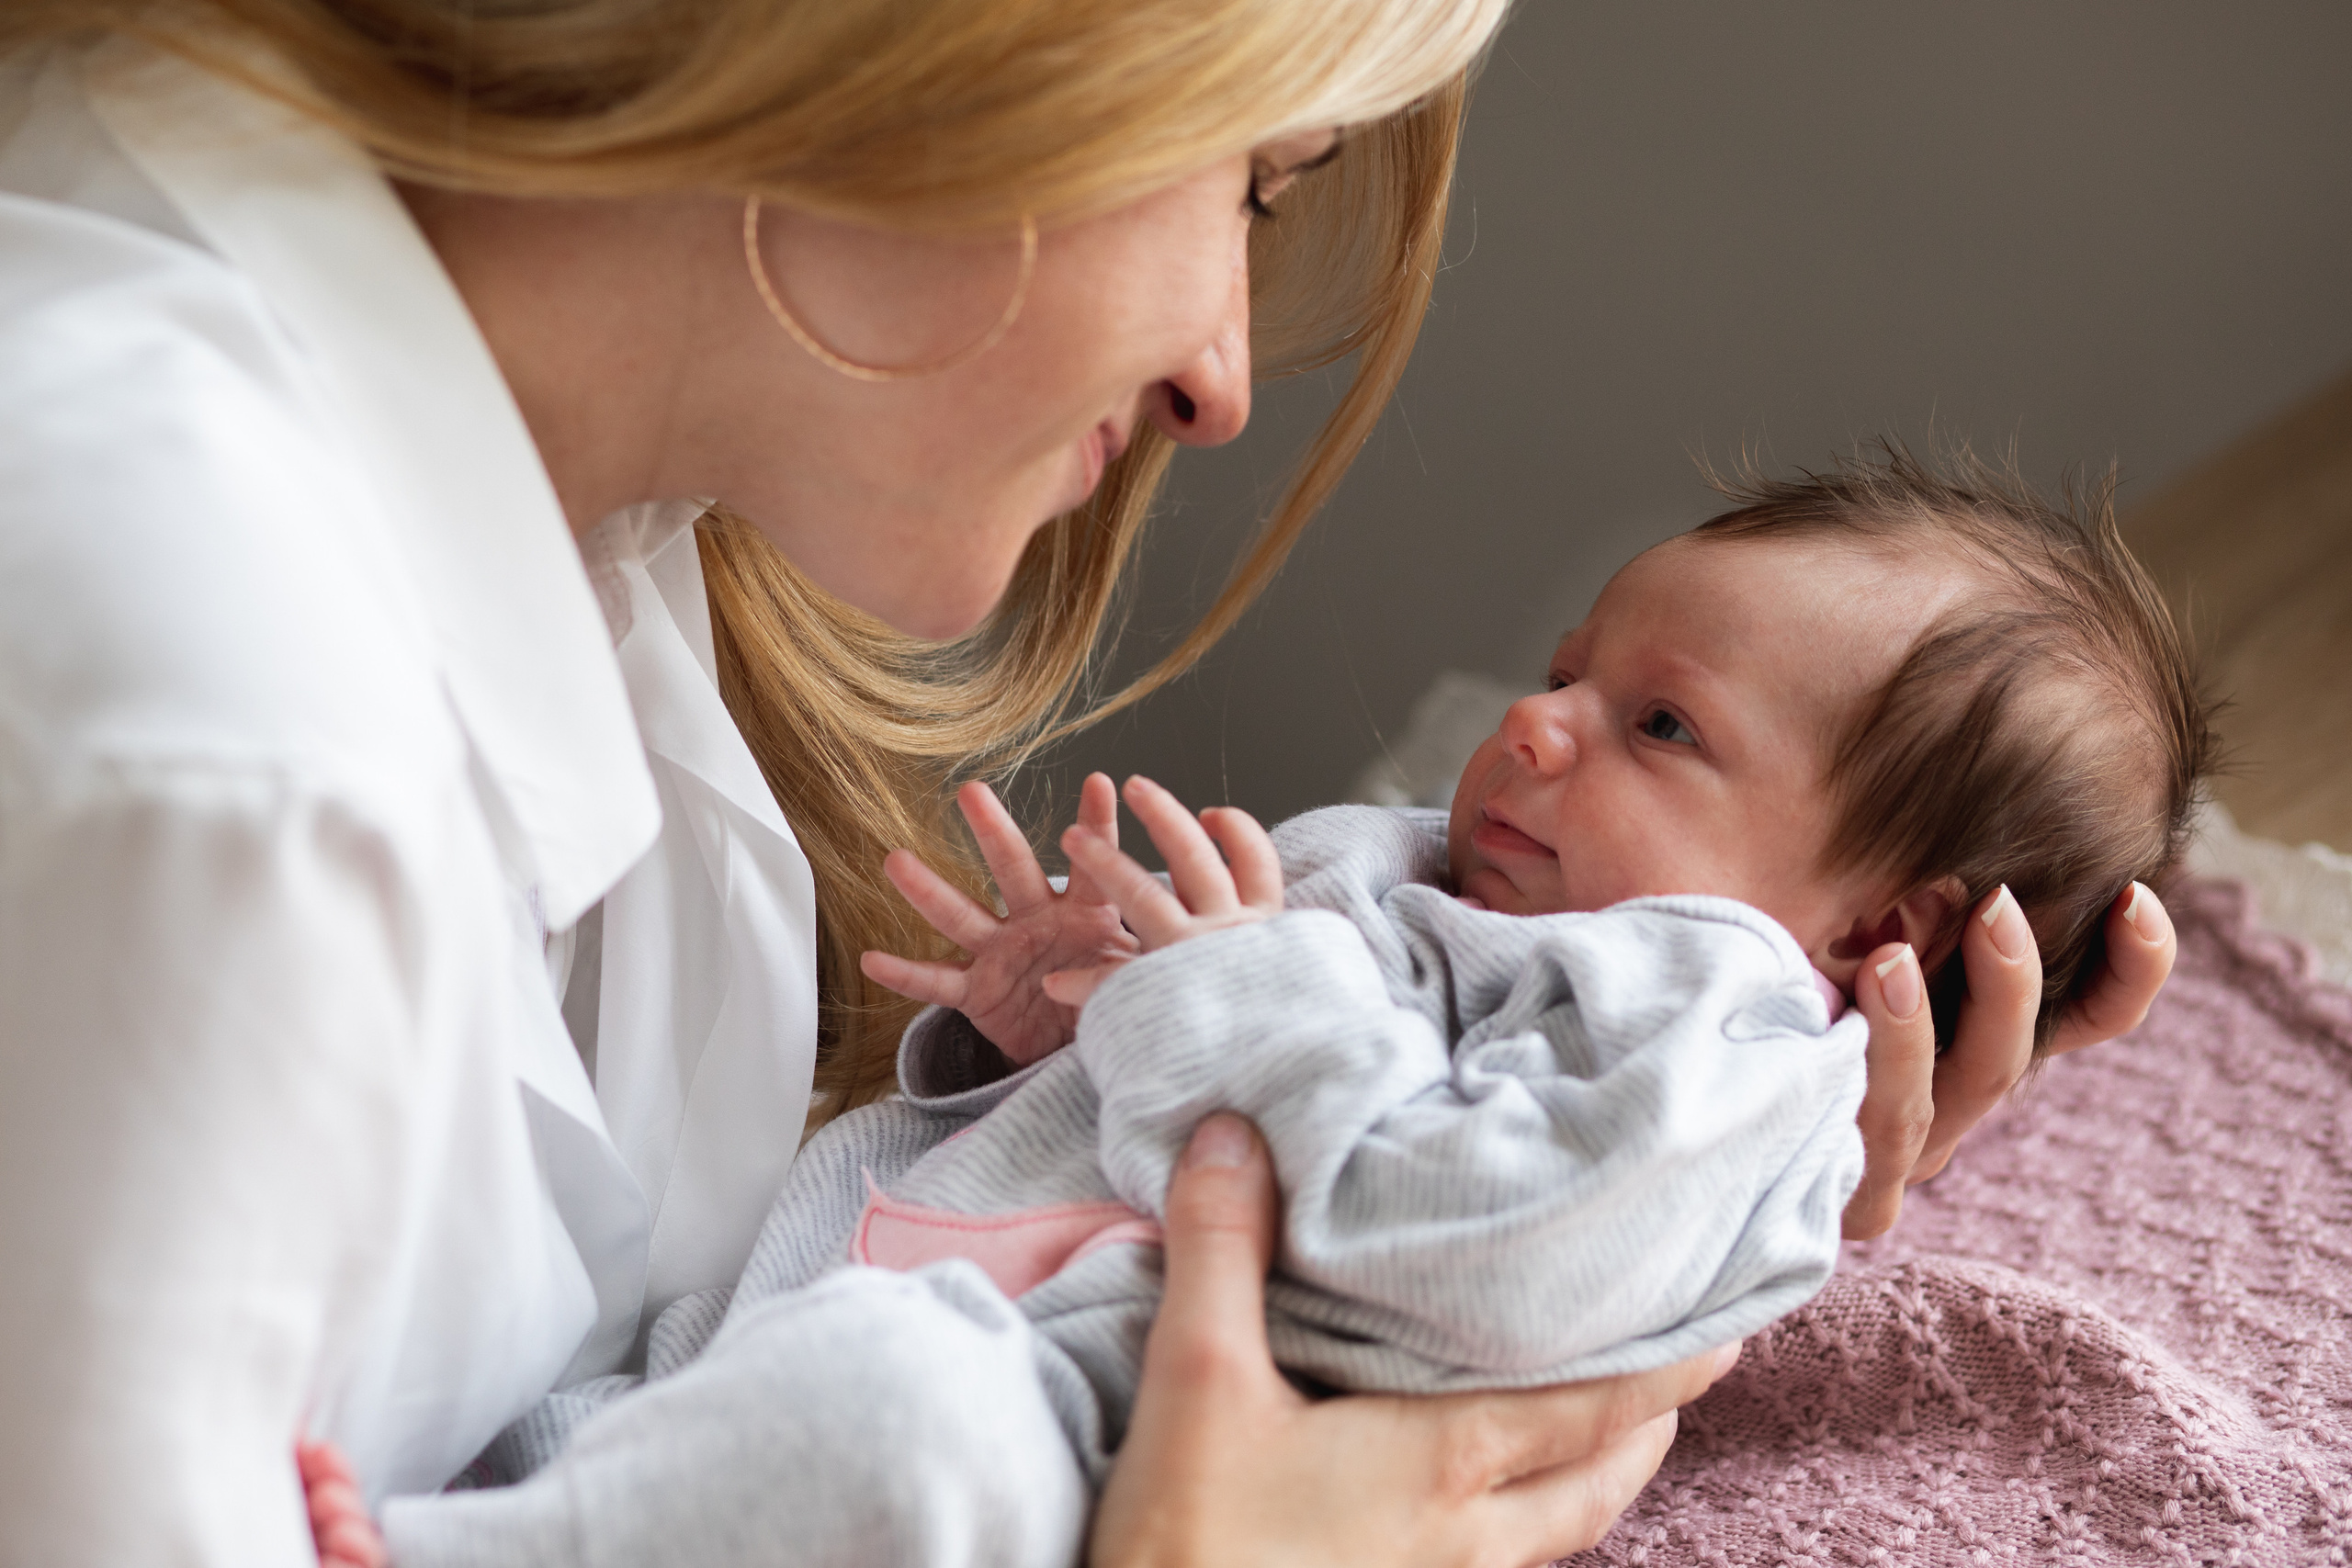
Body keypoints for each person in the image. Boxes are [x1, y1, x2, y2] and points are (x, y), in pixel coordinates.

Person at [0, 0, 2177, 1561]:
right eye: (1245, 177)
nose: (1225, 377)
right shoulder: (210, 743)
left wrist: (1689, 1208)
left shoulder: (612, 561)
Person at [318, 450, 2209, 1567]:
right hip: (786, 1328)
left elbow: (1449, 1245)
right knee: (719, 1410)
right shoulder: (1418, 866)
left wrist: (1222, 979)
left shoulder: (1709, 1036)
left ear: (1873, 917)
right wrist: (1038, 1022)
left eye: (1659, 725)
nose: (1531, 721)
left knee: (897, 1427)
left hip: (1064, 1444)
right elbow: (1135, 1108)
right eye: (1567, 670)